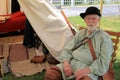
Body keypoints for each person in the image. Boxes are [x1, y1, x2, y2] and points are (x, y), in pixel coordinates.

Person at [45, 6, 114, 80]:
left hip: (89, 68)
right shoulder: (80, 34)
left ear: (98, 20)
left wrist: (86, 70)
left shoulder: (104, 37)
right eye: (88, 18)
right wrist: (66, 63)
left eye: (93, 18)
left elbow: (104, 62)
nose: (90, 21)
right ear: (85, 20)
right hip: (72, 63)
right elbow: (67, 49)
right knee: (51, 74)